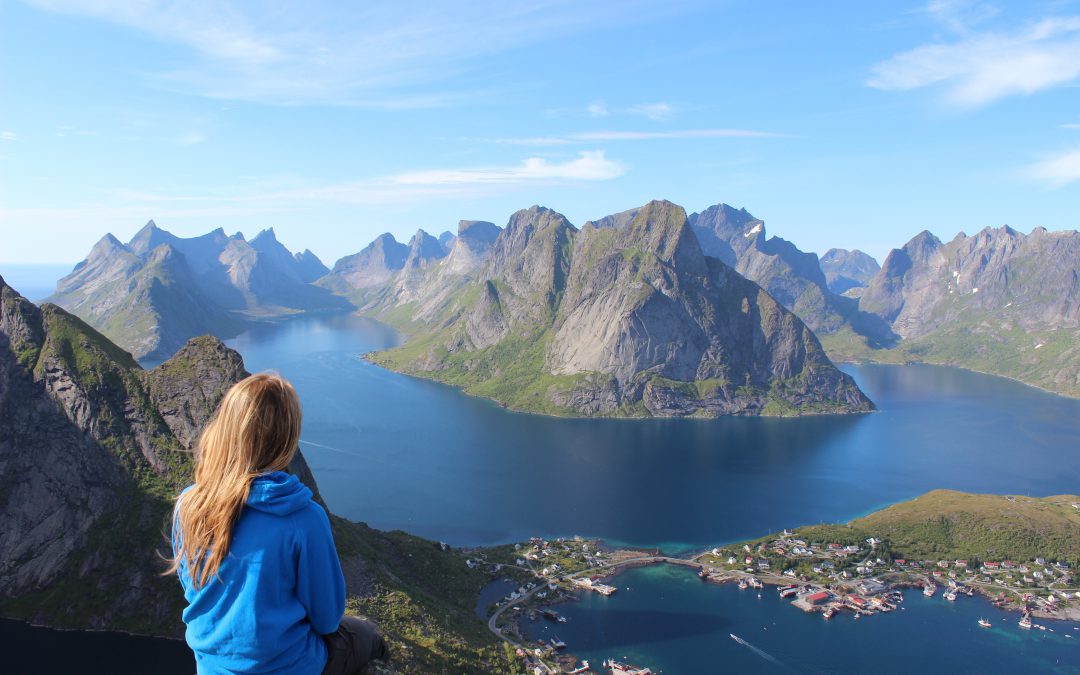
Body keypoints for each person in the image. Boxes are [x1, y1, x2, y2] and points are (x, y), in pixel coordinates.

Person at [166, 373, 388, 674]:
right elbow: (327, 619)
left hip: (212, 667)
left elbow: (194, 588)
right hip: (288, 667)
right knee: (368, 637)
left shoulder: (189, 505)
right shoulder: (303, 518)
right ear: (286, 438)